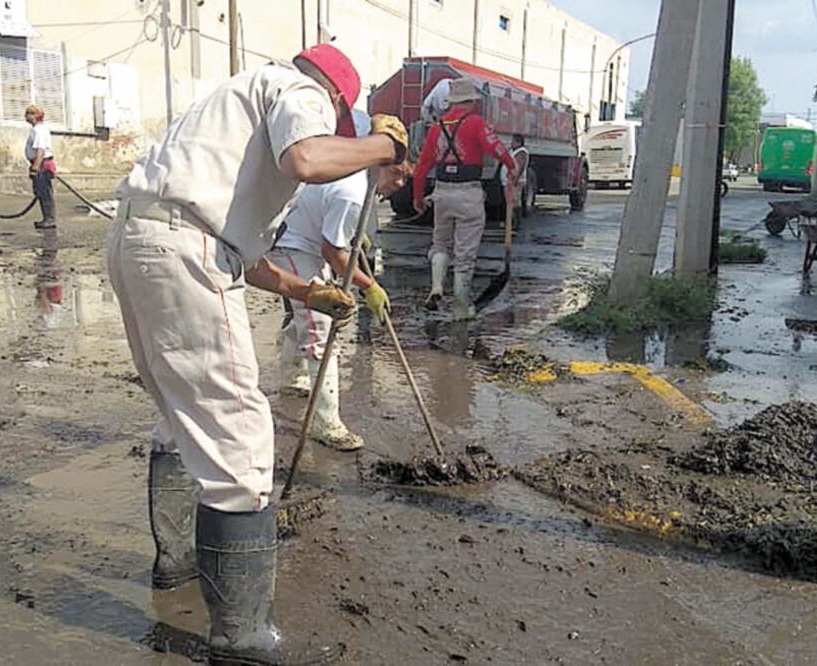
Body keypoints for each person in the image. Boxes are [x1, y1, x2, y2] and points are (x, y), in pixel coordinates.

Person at [106, 44, 407, 666]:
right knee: (240, 441)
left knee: (182, 418)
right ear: (332, 98)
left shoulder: (232, 107)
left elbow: (241, 246)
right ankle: (242, 639)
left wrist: (302, 289)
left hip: (138, 240)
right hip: (184, 251)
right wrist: (386, 147)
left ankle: (179, 563)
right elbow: (307, 157)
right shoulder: (295, 91)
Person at [271, 109, 411, 451]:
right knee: (322, 327)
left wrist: (352, 237)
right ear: (377, 164)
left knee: (304, 317)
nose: (399, 185)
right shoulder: (352, 193)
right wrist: (370, 286)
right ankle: (327, 423)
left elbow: (336, 236)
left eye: (405, 178)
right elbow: (334, 253)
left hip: (300, 239)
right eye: (395, 174)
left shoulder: (356, 180)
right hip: (294, 247)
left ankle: (293, 376)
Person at [413, 78, 515, 320]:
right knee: (464, 255)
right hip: (468, 192)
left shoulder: (437, 127)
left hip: (441, 193)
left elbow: (422, 166)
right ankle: (460, 308)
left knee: (440, 243)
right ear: (470, 102)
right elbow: (496, 148)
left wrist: (418, 197)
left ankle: (437, 285)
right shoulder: (476, 123)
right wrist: (511, 166)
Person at [24, 105, 57, 229]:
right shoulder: (38, 129)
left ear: (36, 116)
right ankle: (47, 218)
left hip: (42, 164)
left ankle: (50, 219)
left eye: (30, 113)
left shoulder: (39, 130)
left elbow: (40, 149)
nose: (26, 116)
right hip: (40, 163)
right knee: (41, 192)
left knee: (45, 192)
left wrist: (35, 167)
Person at [502, 133, 530, 222]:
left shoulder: (521, 152)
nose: (511, 143)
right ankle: (511, 221)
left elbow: (520, 166)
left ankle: (516, 222)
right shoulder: (513, 150)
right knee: (510, 201)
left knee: (514, 201)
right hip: (509, 180)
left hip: (515, 181)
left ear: (518, 142)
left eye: (513, 141)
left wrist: (515, 179)